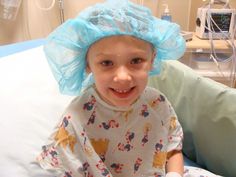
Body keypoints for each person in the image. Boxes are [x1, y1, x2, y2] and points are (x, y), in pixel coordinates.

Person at [36, 0, 220, 177]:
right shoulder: (78, 116)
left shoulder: (157, 104)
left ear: (153, 59)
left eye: (136, 61)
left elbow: (173, 150)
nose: (123, 77)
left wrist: (173, 174)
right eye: (107, 63)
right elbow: (64, 166)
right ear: (87, 65)